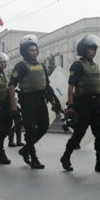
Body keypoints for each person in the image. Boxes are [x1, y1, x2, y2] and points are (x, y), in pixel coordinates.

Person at [60, 35, 100, 173]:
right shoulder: (78, 65)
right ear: (84, 50)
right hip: (82, 103)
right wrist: (71, 105)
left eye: (94, 49)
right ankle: (65, 157)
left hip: (96, 103)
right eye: (90, 48)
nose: (93, 51)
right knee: (79, 133)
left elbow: (98, 87)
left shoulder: (95, 66)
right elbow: (71, 85)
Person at [9, 35, 61, 169]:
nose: (34, 52)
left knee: (43, 127)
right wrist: (13, 105)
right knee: (31, 130)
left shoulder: (41, 65)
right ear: (25, 52)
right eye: (31, 50)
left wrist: (53, 100)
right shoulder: (20, 66)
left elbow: (46, 85)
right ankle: (33, 158)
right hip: (27, 102)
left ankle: (25, 149)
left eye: (35, 50)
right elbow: (11, 85)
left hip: (41, 101)